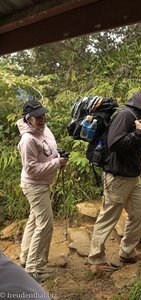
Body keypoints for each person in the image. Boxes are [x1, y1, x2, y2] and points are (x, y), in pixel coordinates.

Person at [88, 85, 141, 270]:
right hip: (116, 177)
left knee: (138, 213)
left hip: (132, 176)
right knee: (108, 217)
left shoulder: (140, 115)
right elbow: (114, 143)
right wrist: (139, 132)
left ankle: (127, 252)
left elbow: (134, 145)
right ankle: (96, 258)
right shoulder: (126, 114)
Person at [17, 98, 68, 279]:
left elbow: (48, 151)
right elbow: (31, 168)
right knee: (45, 224)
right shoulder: (27, 140)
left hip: (42, 183)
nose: (42, 118)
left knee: (34, 220)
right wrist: (55, 163)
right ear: (28, 118)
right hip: (34, 185)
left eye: (43, 114)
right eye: (37, 116)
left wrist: (57, 156)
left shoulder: (43, 129)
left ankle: (25, 257)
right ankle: (33, 270)